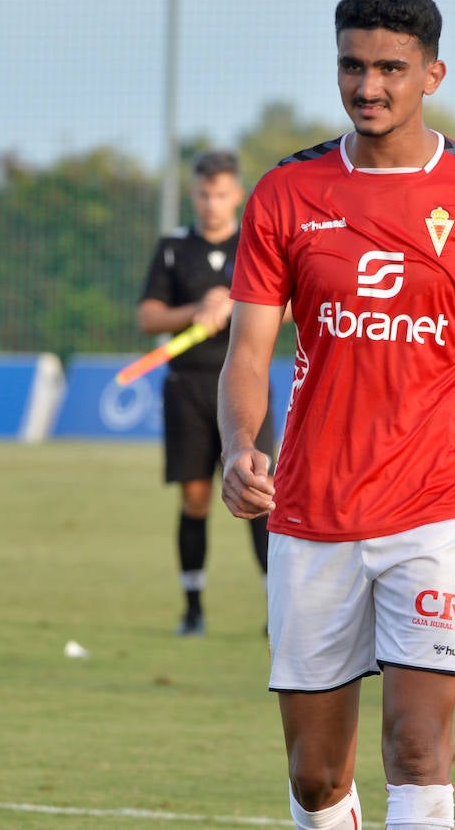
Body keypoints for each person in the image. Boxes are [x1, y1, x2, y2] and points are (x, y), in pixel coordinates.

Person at [219, 0, 455, 830]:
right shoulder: (285, 195)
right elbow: (247, 351)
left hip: (434, 513)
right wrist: (240, 444)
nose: (367, 86)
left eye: (390, 68)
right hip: (310, 515)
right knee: (315, 775)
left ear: (433, 74)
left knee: (417, 749)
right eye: (352, 65)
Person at [137, 150, 273, 637]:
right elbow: (149, 318)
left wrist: (239, 305)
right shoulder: (174, 248)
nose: (211, 204)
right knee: (195, 498)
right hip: (187, 386)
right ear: (193, 194)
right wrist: (197, 309)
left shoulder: (257, 242)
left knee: (259, 492)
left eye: (220, 194)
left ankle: (276, 609)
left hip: (245, 383)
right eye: (202, 194)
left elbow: (292, 308)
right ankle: (193, 608)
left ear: (236, 194)